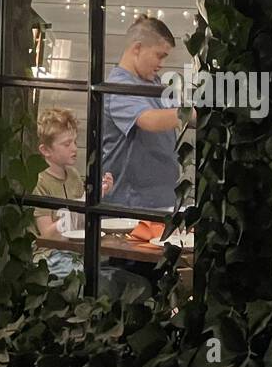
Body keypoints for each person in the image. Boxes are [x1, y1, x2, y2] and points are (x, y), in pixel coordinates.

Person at [101, 16, 181, 211]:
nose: (162, 63)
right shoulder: (118, 87)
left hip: (162, 200)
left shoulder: (154, 83)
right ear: (137, 48)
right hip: (130, 206)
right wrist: (194, 113)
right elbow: (149, 120)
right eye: (159, 55)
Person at [31, 107, 114, 281]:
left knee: (117, 275)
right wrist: (77, 212)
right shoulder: (39, 182)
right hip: (50, 257)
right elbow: (47, 234)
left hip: (76, 251)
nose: (74, 148)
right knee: (98, 281)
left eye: (75, 142)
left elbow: (83, 218)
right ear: (45, 150)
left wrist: (98, 195)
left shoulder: (74, 175)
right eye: (66, 144)